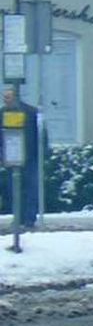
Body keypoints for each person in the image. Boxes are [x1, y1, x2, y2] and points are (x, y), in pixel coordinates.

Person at [2, 86, 41, 230]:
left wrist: (41, 154)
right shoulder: (2, 113)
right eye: (4, 97)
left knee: (31, 189)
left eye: (8, 97)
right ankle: (18, 218)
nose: (5, 100)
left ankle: (30, 219)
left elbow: (40, 134)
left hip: (30, 157)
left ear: (16, 97)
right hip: (11, 158)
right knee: (14, 190)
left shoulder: (31, 112)